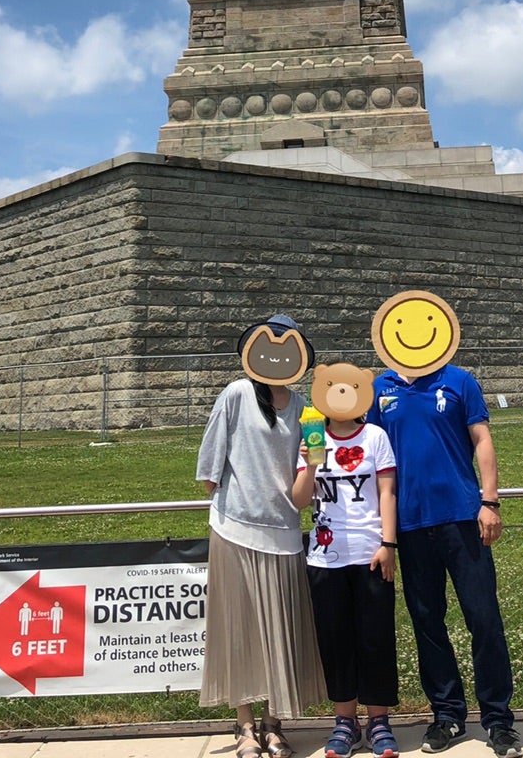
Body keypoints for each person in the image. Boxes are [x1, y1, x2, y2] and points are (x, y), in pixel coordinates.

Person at [372, 347, 523, 758]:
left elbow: (482, 438)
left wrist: (489, 502)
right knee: (427, 622)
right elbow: (370, 455)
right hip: (410, 524)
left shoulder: (458, 380)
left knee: (484, 619)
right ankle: (447, 714)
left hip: (461, 517)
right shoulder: (379, 387)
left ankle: (498, 719)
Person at [197, 314, 327, 758]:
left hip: (284, 530)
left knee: (280, 631)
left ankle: (275, 723)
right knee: (239, 631)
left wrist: (311, 465)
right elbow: (210, 465)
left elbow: (304, 475)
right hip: (234, 528)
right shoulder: (235, 394)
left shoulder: (304, 406)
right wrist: (229, 504)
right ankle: (245, 727)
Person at [292, 366, 400, 758]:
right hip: (325, 558)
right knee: (335, 640)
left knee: (375, 637)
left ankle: (379, 720)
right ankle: (344, 721)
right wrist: (312, 462)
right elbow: (300, 500)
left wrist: (388, 543)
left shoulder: (376, 437)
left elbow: (387, 493)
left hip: (370, 553)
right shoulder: (310, 438)